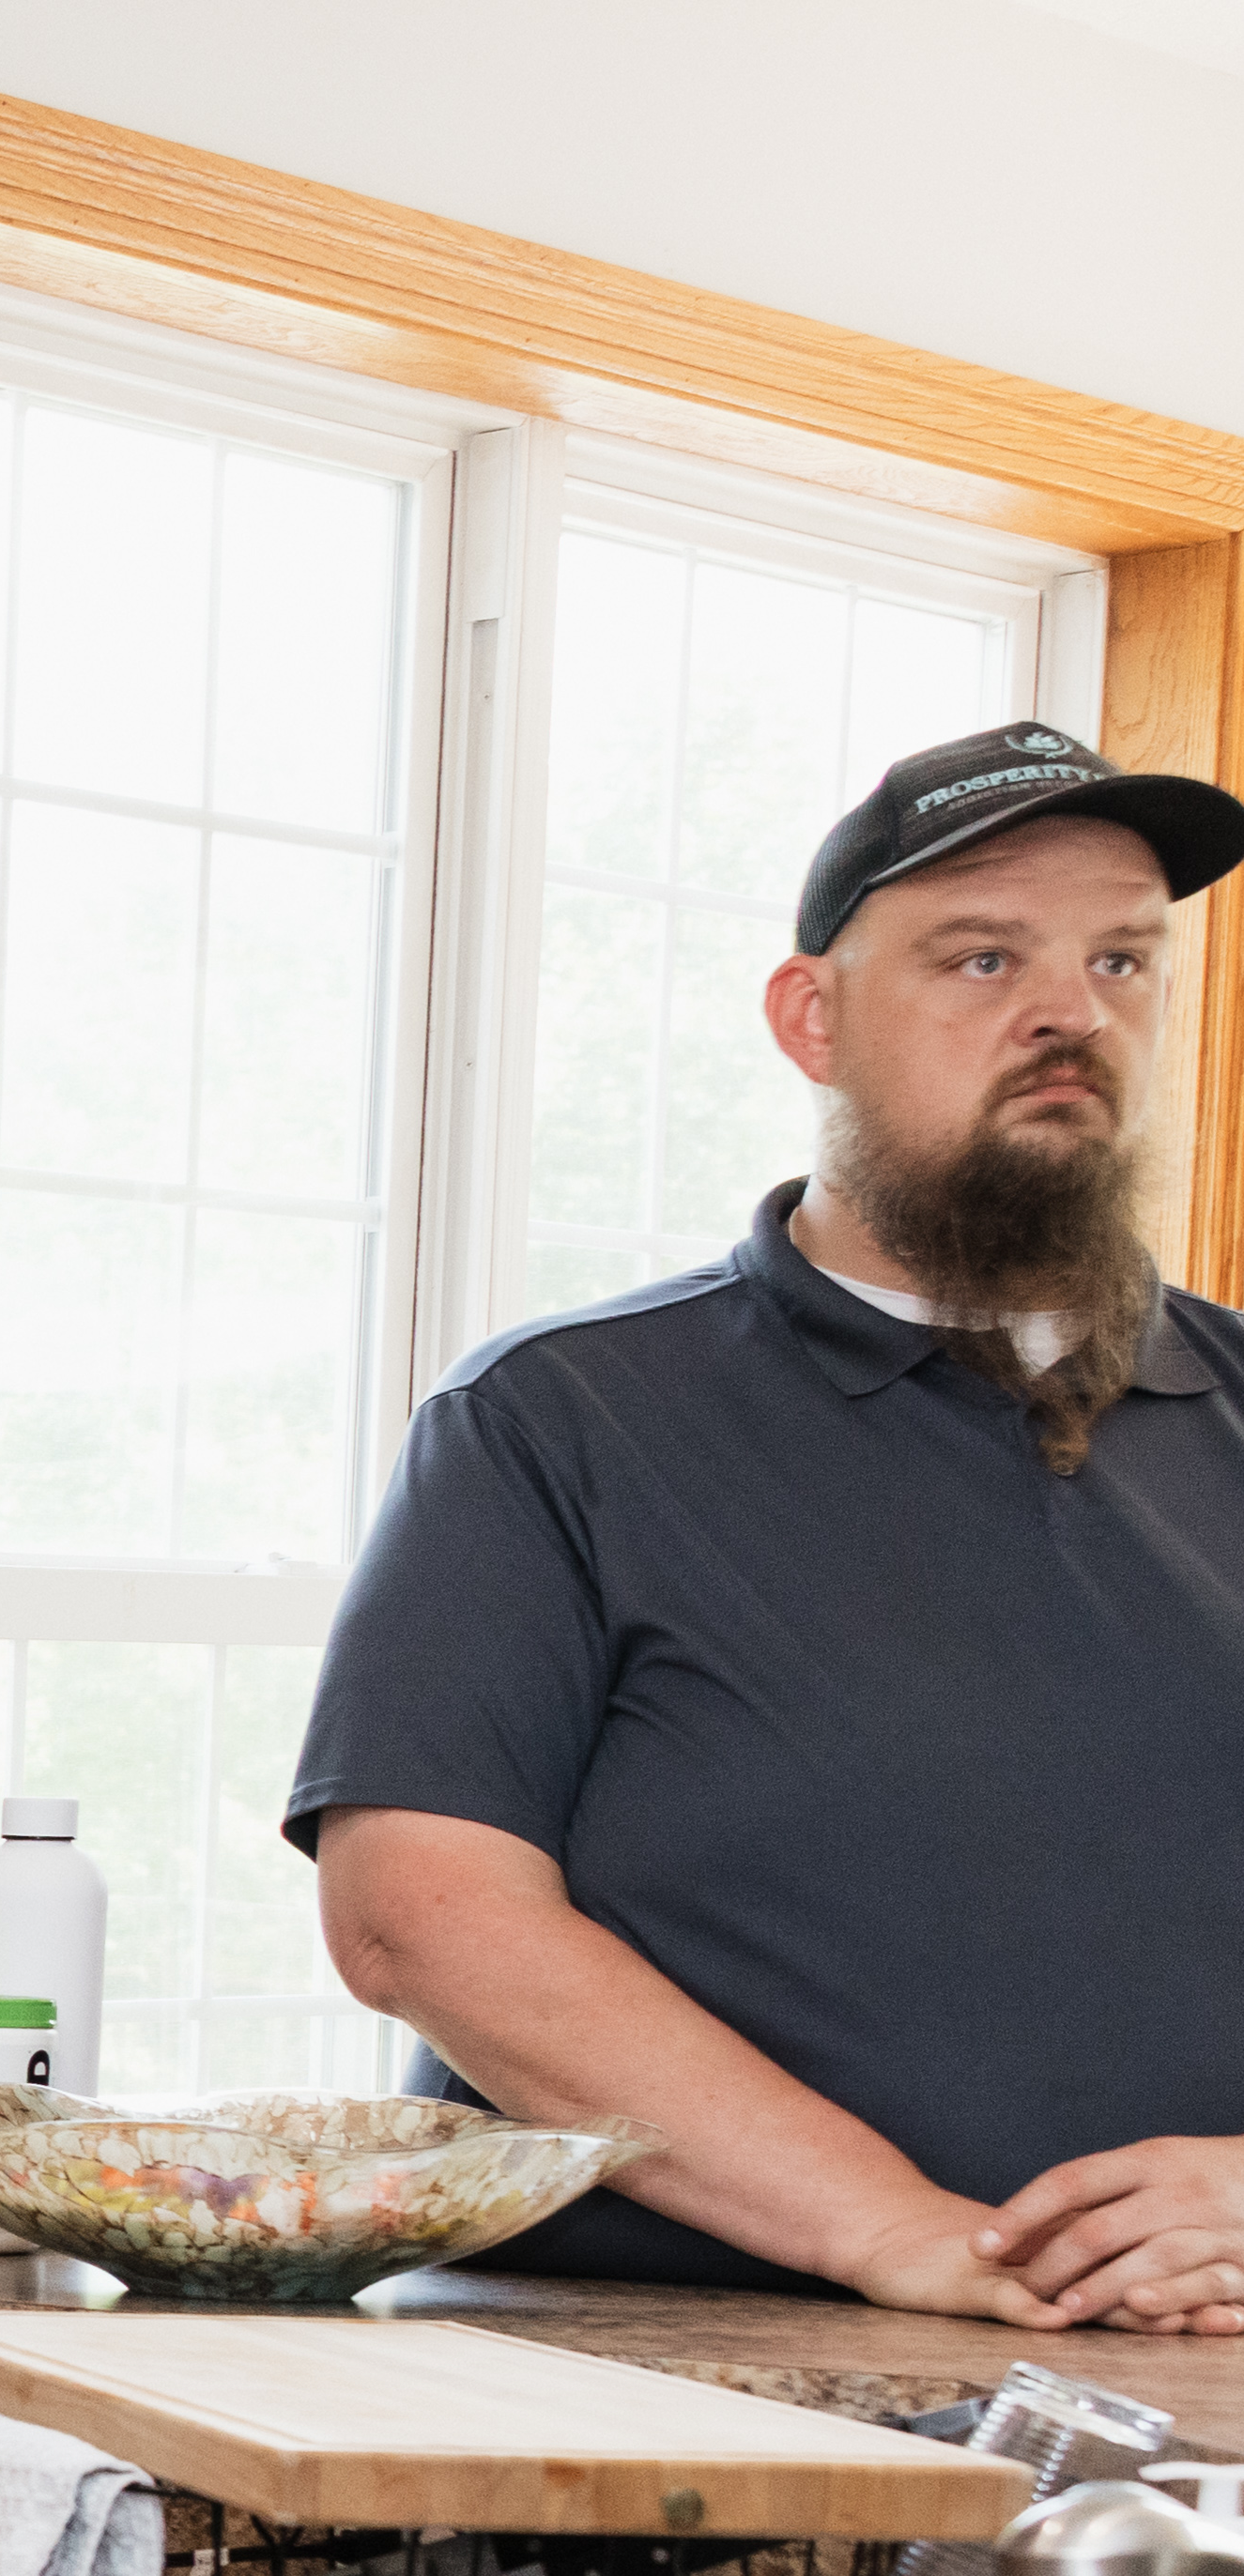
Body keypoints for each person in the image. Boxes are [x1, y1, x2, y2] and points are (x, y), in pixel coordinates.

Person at [297, 717, 1244, 2334]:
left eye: (1122, 960)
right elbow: (420, 1915)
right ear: (812, 1019)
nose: (1069, 1012)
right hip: (642, 2394)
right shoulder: (556, 1421)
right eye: (979, 957)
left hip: (1183, 2408)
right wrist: (901, 2231)